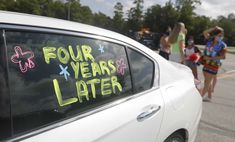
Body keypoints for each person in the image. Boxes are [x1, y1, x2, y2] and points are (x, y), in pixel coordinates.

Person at [201, 26, 227, 101]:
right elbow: (205, 32)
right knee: (207, 81)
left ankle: (200, 97)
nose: (220, 37)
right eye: (219, 35)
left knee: (207, 82)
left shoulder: (223, 45)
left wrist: (210, 58)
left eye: (221, 35)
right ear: (215, 35)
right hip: (206, 63)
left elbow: (223, 57)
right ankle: (209, 97)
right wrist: (214, 28)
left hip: (214, 65)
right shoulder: (209, 40)